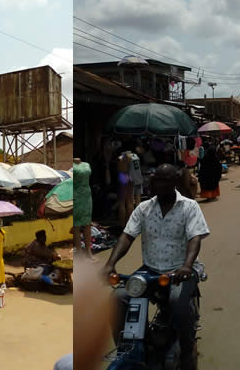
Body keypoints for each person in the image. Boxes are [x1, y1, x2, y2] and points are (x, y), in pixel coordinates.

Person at [103, 164, 209, 370]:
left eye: (165, 181)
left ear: (175, 182)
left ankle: (188, 353)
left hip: (181, 271)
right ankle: (131, 348)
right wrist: (110, 263)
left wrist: (187, 265)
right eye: (156, 180)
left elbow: (195, 238)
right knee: (117, 298)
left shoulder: (189, 207)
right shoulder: (143, 208)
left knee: (178, 304)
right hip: (150, 270)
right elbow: (126, 237)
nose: (159, 185)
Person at [73, 158, 93, 258]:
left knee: (87, 223)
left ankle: (88, 251)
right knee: (76, 224)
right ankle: (80, 251)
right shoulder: (72, 166)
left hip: (87, 195)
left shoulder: (86, 164)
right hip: (76, 194)